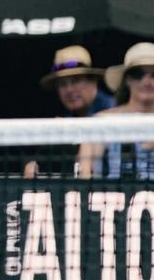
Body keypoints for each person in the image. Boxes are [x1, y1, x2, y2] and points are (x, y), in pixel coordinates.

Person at [23, 45, 114, 178]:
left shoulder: (113, 110)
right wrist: (36, 165)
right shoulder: (66, 119)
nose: (69, 90)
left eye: (75, 81)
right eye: (63, 84)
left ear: (93, 81)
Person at [78, 42, 154, 179]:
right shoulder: (102, 122)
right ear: (127, 80)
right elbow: (85, 173)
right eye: (138, 74)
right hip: (113, 198)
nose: (147, 81)